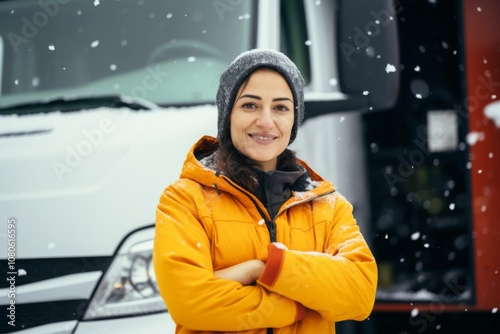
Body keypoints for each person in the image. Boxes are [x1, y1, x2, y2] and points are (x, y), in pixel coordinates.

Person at [153, 49, 377, 333]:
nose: (266, 121)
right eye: (250, 105)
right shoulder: (185, 200)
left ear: (294, 119)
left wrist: (265, 267)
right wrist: (297, 305)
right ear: (227, 115)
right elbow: (190, 302)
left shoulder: (327, 205)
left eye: (281, 108)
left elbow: (360, 295)